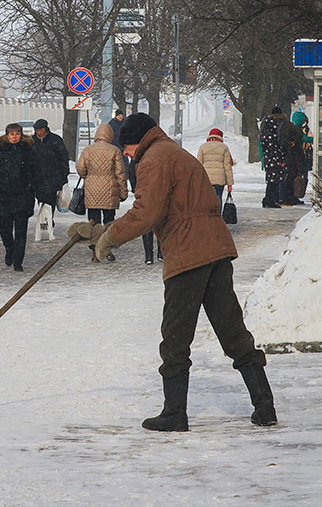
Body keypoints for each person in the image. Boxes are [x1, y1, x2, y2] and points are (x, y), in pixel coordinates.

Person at [68, 113, 276, 432]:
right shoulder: (176, 152)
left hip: (188, 253)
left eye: (127, 147)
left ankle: (174, 413)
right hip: (215, 249)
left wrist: (109, 238)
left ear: (137, 140)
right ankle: (265, 405)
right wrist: (104, 230)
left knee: (175, 336)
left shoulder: (153, 158)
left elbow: (147, 212)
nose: (126, 153)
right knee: (233, 331)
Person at [75, 122, 128, 262]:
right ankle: (106, 249)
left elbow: (80, 169)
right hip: (109, 190)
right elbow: (120, 173)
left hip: (91, 189)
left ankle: (94, 251)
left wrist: (90, 174)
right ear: (110, 135)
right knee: (109, 222)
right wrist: (123, 192)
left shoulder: (88, 150)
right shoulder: (114, 150)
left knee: (93, 223)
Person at [0, 123, 36, 272]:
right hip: (4, 197)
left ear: (21, 135)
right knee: (5, 229)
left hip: (23, 196)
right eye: (12, 134)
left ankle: (18, 260)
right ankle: (9, 249)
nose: (14, 137)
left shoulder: (28, 150)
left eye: (17, 134)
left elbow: (35, 172)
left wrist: (35, 190)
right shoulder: (0, 151)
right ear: (7, 136)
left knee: (21, 231)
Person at [30, 118, 70, 223]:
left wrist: (64, 175)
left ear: (46, 128)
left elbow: (63, 157)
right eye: (36, 130)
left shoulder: (55, 140)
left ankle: (48, 219)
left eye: (40, 129)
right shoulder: (31, 141)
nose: (38, 132)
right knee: (41, 199)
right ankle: (44, 218)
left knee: (50, 199)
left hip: (52, 176)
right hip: (37, 176)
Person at [127, 153, 160, 265]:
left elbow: (131, 174)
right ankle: (161, 252)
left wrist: (135, 189)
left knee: (146, 224)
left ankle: (149, 256)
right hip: (157, 194)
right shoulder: (157, 156)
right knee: (159, 222)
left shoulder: (136, 159)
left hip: (143, 195)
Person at [259, 106, 288, 208]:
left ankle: (268, 199)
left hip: (269, 156)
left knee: (272, 179)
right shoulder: (278, 125)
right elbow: (279, 143)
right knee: (275, 180)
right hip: (275, 156)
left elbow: (264, 142)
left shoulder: (266, 125)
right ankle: (270, 200)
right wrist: (281, 157)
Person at [196, 128, 235, 201]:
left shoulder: (203, 147)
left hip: (206, 179)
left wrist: (197, 180)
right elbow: (227, 167)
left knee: (207, 199)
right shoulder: (224, 147)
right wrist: (230, 184)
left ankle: (208, 212)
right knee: (218, 197)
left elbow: (198, 165)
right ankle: (218, 212)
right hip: (219, 180)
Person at [279, 113, 305, 206]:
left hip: (288, 157)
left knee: (288, 179)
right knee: (290, 178)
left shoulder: (282, 128)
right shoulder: (293, 130)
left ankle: (287, 197)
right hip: (292, 158)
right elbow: (300, 137)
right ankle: (289, 197)